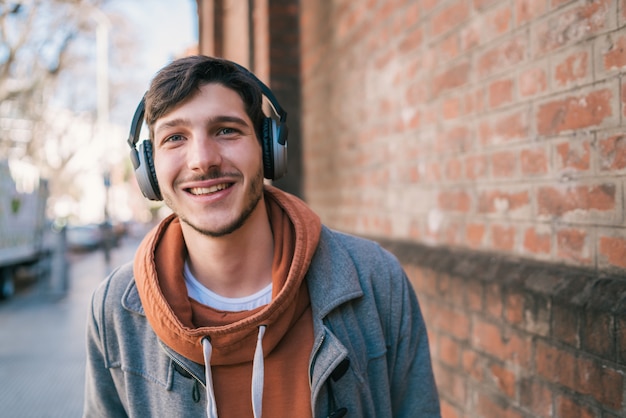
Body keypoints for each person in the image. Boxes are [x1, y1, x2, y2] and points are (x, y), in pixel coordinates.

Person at [83, 55, 441, 418]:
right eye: (175, 138)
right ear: (150, 169)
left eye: (226, 130)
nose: (202, 160)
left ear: (268, 149)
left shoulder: (377, 280)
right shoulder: (114, 310)